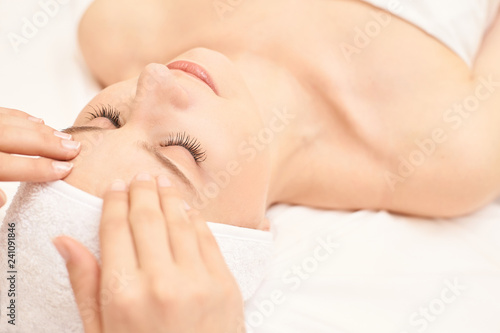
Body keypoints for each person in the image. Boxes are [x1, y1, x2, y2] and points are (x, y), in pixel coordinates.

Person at [0, 0, 499, 331]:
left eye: (105, 119)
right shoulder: (445, 152)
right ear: (256, 233)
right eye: (179, 150)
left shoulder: (119, 25)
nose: (154, 79)